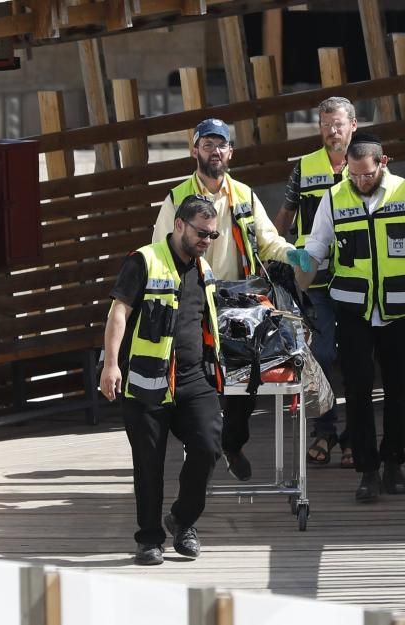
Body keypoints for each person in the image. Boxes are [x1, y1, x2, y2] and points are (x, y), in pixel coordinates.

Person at [152, 118, 311, 483]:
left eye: (220, 145)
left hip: (238, 299)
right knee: (195, 374)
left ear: (230, 152)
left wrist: (292, 254)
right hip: (193, 296)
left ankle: (232, 443)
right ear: (194, 150)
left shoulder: (244, 194)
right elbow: (160, 250)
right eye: (207, 144)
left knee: (245, 377)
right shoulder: (177, 198)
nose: (214, 152)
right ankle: (201, 443)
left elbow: (269, 241)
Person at [295, 133, 405, 503]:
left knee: (399, 393)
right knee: (358, 391)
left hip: (399, 310)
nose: (360, 182)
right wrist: (300, 275)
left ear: (383, 163)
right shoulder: (334, 197)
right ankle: (367, 471)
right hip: (353, 312)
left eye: (366, 175)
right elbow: (315, 249)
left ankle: (394, 463)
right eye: (354, 175)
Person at [100, 195, 225, 566]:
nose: (206, 240)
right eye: (201, 233)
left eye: (212, 235)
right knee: (149, 462)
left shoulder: (204, 270)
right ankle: (149, 539)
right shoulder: (143, 260)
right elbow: (118, 311)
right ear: (180, 225)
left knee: (207, 445)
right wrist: (110, 365)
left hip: (191, 379)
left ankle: (183, 520)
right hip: (146, 379)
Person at [273, 96, 357, 469]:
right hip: (317, 277)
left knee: (358, 358)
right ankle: (325, 430)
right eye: (325, 124)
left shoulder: (371, 163)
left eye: (338, 124)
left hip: (359, 277)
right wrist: (277, 257)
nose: (332, 131)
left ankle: (354, 436)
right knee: (321, 355)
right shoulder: (304, 168)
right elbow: (286, 215)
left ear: (352, 125)